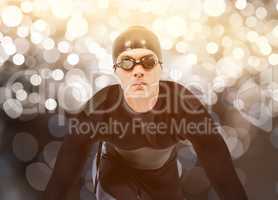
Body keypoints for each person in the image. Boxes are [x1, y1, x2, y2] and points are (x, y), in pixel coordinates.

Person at [42, 26, 248, 200]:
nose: (137, 71)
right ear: (116, 70)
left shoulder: (182, 107)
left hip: (163, 177)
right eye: (127, 63)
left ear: (160, 68)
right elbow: (61, 179)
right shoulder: (100, 109)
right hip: (114, 172)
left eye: (147, 62)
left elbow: (225, 178)